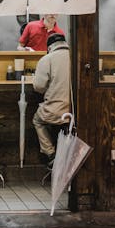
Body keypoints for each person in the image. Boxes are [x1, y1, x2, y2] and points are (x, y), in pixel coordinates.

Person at [32, 33, 71, 168]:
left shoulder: (47, 59)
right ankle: (68, 155)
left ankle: (51, 154)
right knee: (69, 127)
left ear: (49, 47)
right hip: (74, 111)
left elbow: (39, 87)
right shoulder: (77, 57)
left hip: (54, 111)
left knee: (38, 120)